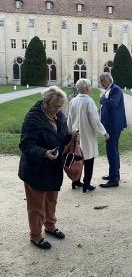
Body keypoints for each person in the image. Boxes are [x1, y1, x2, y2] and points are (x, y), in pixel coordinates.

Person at [18, 86, 72, 249]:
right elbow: (26, 145)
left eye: (60, 106)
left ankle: (50, 226)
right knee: (36, 206)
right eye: (55, 106)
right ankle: (35, 236)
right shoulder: (33, 118)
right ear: (45, 103)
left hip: (53, 168)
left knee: (51, 201)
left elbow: (61, 135)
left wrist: (71, 137)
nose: (57, 110)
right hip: (36, 169)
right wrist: (43, 153)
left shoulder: (59, 115)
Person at [67, 78, 109, 193]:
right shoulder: (88, 101)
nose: (90, 88)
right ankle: (86, 184)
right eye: (90, 86)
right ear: (86, 88)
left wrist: (70, 133)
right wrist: (104, 132)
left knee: (78, 159)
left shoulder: (73, 101)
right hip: (87, 135)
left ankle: (75, 181)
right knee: (88, 160)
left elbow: (69, 120)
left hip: (76, 135)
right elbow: (95, 121)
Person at [98, 72, 126, 188]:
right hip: (110, 124)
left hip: (113, 126)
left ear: (109, 80)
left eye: (102, 81)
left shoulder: (116, 90)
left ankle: (114, 179)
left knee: (111, 151)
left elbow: (112, 104)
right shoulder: (110, 90)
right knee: (113, 150)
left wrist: (103, 99)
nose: (100, 83)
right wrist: (104, 98)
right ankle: (114, 174)